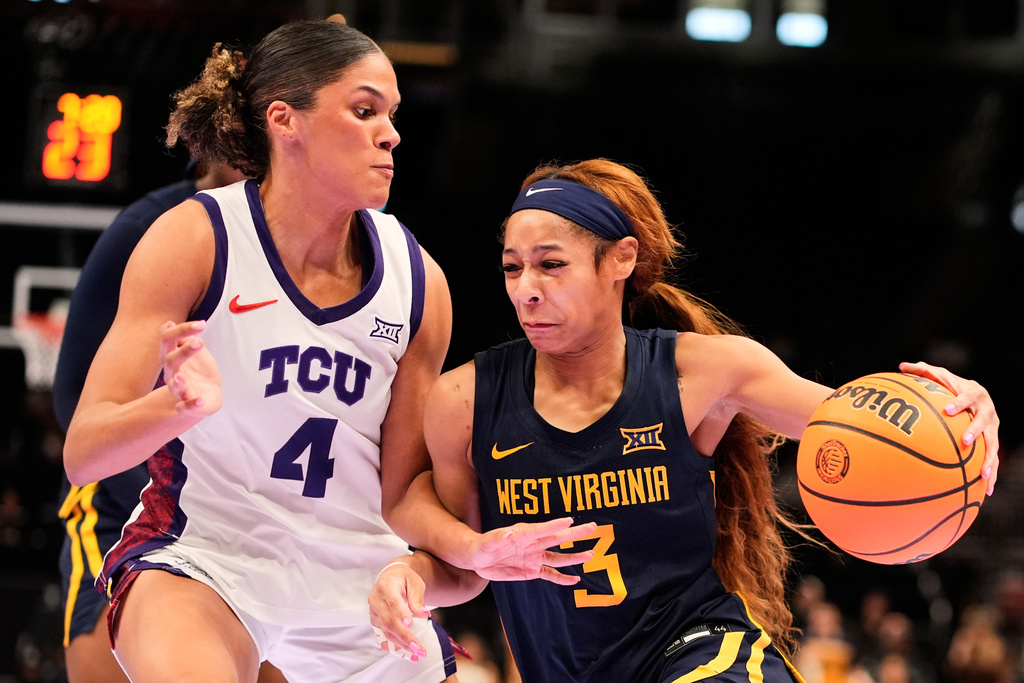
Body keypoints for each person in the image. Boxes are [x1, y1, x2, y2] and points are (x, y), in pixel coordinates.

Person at [61, 19, 584, 683]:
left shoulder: (417, 281)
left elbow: (405, 498)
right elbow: (84, 452)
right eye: (365, 110)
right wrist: (175, 406)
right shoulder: (195, 237)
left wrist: (474, 549)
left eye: (391, 114)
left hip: (357, 585)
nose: (390, 133)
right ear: (287, 121)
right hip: (207, 558)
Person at [368, 158, 1001, 682]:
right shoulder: (464, 400)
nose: (526, 288)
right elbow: (466, 566)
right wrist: (407, 574)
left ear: (619, 260)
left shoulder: (704, 373)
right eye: (512, 267)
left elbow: (864, 426)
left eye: (551, 264)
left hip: (701, 650)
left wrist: (964, 415)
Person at [52, 158, 292, 683]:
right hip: (132, 504)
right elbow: (77, 404)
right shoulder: (160, 229)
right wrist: (171, 493)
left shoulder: (332, 244)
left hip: (259, 527)